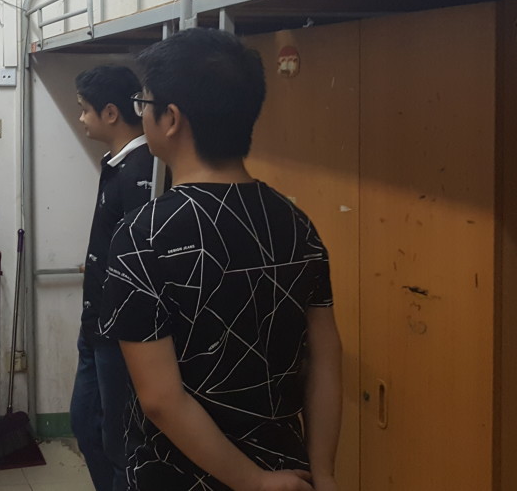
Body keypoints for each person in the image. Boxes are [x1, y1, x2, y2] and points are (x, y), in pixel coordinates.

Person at [99, 29, 342, 491]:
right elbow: (325, 357)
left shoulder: (143, 234)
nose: (141, 114)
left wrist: (253, 482)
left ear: (171, 119)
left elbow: (160, 399)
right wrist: (324, 471)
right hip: (287, 471)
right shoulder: (296, 223)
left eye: (143, 103)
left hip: (178, 475)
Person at [70, 66, 155, 491]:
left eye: (85, 110)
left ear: (110, 113)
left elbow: (141, 260)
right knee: (85, 422)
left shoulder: (143, 171)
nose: (81, 118)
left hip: (118, 331)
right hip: (96, 324)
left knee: (119, 440)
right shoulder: (117, 163)